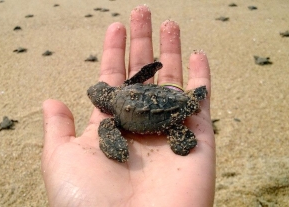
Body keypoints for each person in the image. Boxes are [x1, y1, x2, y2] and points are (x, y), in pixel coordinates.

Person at [41, 5, 215, 207]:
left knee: (177, 139)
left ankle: (181, 129)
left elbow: (117, 145)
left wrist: (121, 153)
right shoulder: (125, 87)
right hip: (169, 104)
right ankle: (189, 102)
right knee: (164, 111)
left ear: (102, 104)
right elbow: (144, 75)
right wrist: (155, 67)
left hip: (166, 118)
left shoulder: (109, 123)